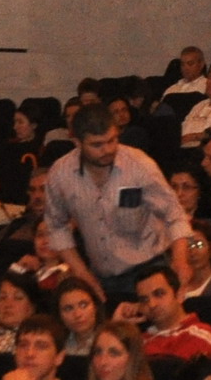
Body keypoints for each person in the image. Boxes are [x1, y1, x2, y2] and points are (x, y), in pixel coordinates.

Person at [42, 106, 195, 293]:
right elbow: (56, 226)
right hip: (100, 275)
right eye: (97, 145)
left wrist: (180, 260)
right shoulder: (60, 174)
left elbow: (174, 214)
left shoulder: (139, 164)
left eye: (112, 140)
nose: (107, 150)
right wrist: (81, 271)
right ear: (77, 142)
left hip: (149, 267)